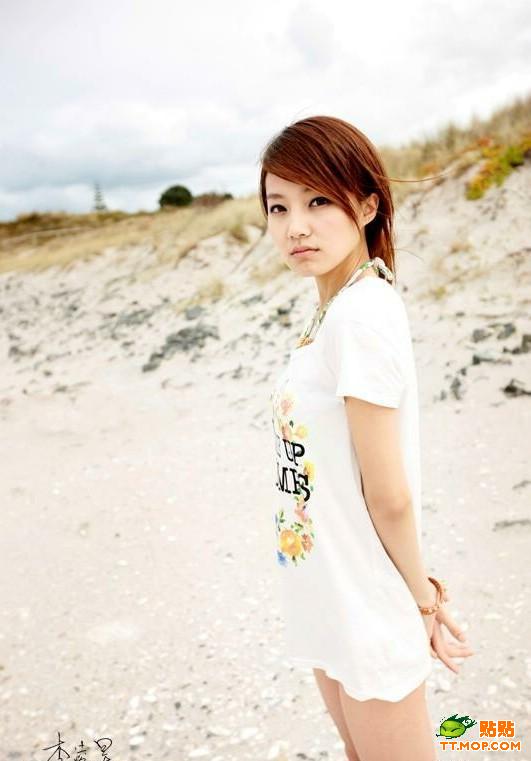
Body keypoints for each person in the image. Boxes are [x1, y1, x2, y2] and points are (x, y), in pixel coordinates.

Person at [260, 115, 474, 761]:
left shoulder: (362, 314)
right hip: (327, 593)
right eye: (278, 206)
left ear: (367, 205)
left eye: (318, 201)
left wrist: (421, 600)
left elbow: (389, 493)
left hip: (366, 600)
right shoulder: (333, 312)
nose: (295, 226)